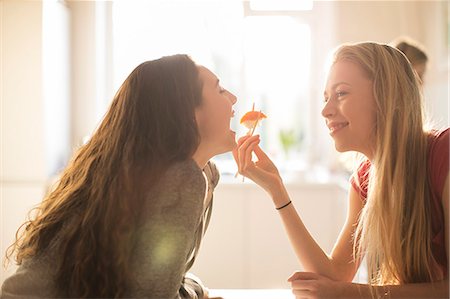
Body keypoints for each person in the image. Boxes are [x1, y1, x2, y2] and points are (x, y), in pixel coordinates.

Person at [1, 54, 237, 298]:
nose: (233, 99)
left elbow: (148, 281)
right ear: (190, 113)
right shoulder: (182, 179)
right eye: (220, 90)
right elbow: (151, 294)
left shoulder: (194, 175)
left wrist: (193, 290)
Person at [234, 42, 448, 298]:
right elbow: (333, 276)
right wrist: (277, 190)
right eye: (326, 98)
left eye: (341, 94)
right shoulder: (365, 179)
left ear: (386, 96)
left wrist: (355, 293)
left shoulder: (444, 154)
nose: (325, 111)